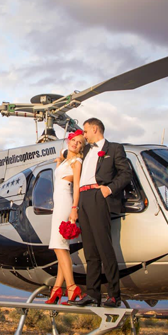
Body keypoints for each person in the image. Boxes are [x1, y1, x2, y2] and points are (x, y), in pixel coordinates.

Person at [69, 118, 132, 308]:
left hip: (99, 195)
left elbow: (126, 174)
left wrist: (109, 189)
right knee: (90, 250)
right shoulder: (86, 150)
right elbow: (71, 150)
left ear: (95, 129)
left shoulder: (114, 149)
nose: (84, 135)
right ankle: (93, 294)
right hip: (84, 198)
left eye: (86, 131)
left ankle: (114, 295)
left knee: (104, 247)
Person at [46, 130, 86, 305]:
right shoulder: (66, 162)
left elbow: (76, 186)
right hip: (59, 204)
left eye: (79, 143)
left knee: (58, 247)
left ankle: (71, 287)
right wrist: (59, 163)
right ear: (69, 140)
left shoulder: (77, 162)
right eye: (74, 140)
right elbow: (59, 181)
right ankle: (56, 290)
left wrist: (74, 208)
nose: (75, 144)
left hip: (65, 204)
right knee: (62, 247)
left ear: (81, 148)